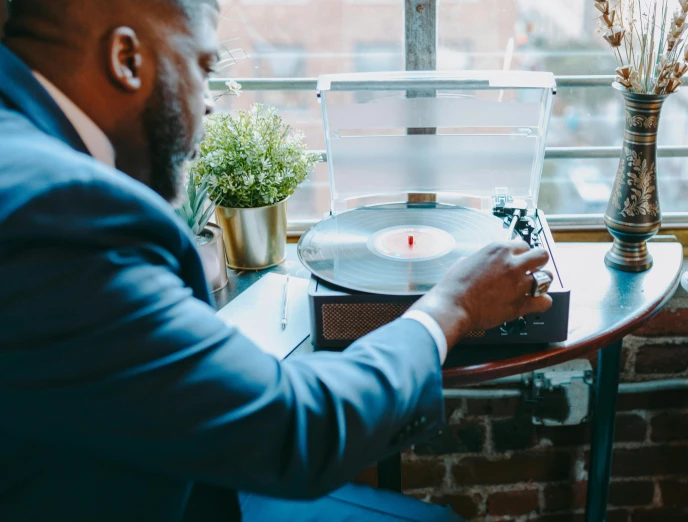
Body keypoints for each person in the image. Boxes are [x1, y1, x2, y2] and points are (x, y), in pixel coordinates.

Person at [0, 1, 553, 520]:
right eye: (203, 66)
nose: (209, 100)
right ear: (126, 59)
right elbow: (295, 431)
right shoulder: (63, 212)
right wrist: (453, 304)